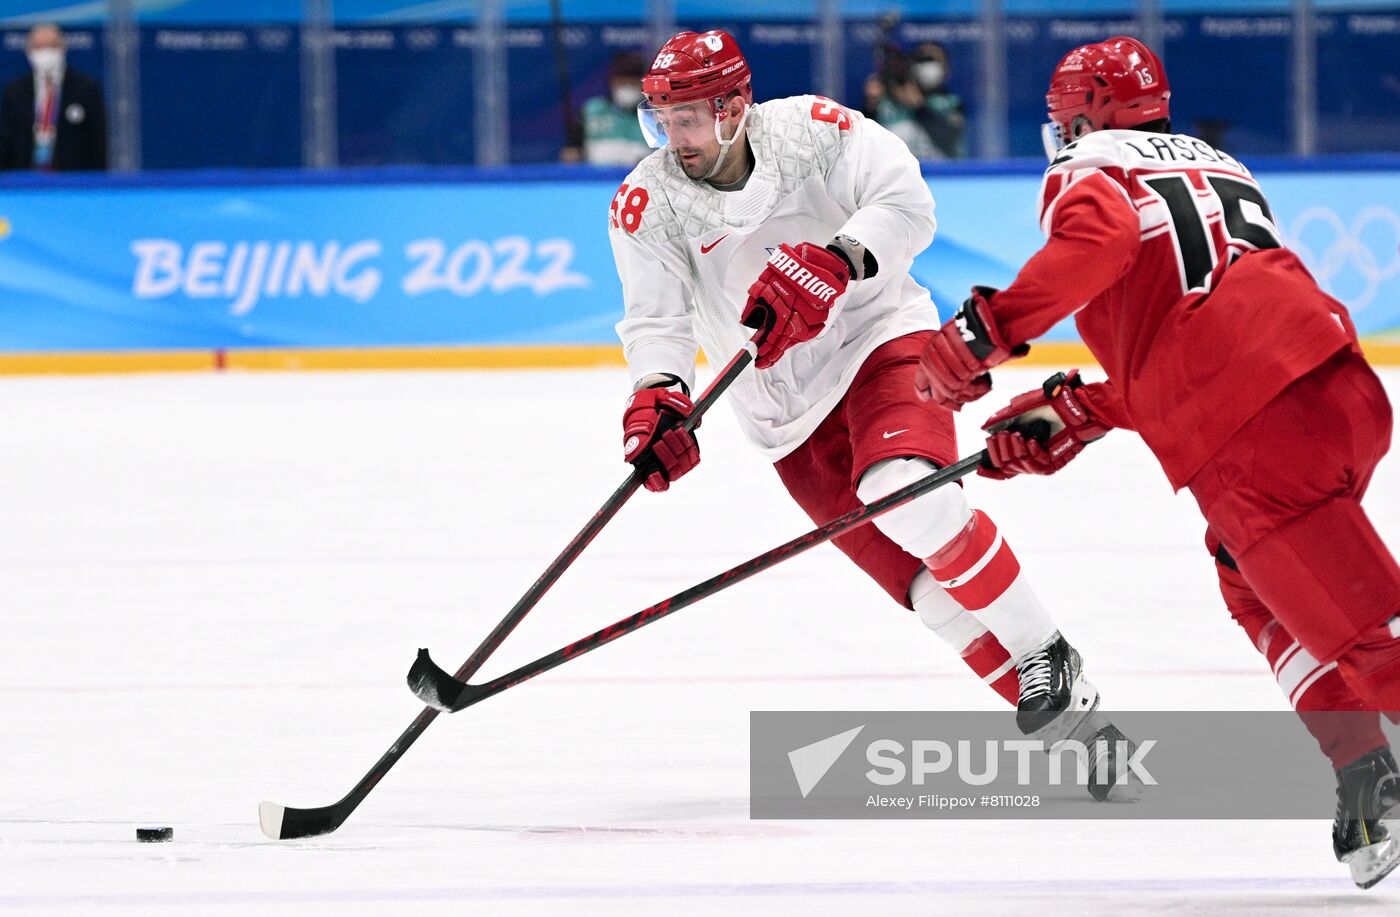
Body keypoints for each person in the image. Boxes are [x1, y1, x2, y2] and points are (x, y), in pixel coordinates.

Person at [913, 35, 1400, 887]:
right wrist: (1081, 410)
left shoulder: (1087, 166)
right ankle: (1365, 767)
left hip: (1255, 437)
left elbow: (1097, 245)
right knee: (1249, 576)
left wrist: (986, 329)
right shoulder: (1222, 166)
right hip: (1334, 392)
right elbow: (1203, 328)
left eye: (1063, 118)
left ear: (1084, 114)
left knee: (1374, 641)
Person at [609, 28, 1139, 798]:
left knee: (905, 492)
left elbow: (907, 203)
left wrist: (836, 261)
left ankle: (1044, 647)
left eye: (686, 118)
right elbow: (657, 325)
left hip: (879, 337)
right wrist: (659, 397)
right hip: (782, 411)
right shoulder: (646, 200)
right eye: (662, 122)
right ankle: (1089, 736)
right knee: (928, 593)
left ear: (734, 106)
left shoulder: (813, 131)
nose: (672, 138)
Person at [0, 23, 107, 172]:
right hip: (25, 179)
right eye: (39, 47)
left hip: (73, 179)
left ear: (63, 49)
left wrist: (94, 183)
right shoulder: (14, 91)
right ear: (29, 52)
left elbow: (98, 141)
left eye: (52, 46)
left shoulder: (86, 88)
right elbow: (6, 139)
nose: (46, 53)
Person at [862, 41, 965, 161]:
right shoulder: (885, 105)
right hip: (895, 175)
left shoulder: (952, 103)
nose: (927, 65)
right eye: (922, 59)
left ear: (946, 68)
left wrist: (918, 105)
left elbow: (949, 139)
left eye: (932, 59)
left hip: (942, 176)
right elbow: (863, 145)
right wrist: (870, 106)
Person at [561, 51, 651, 167]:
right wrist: (572, 155)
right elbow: (572, 150)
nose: (626, 88)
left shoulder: (654, 114)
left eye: (632, 84)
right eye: (622, 83)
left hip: (642, 178)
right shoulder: (592, 110)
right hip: (597, 180)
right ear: (612, 82)